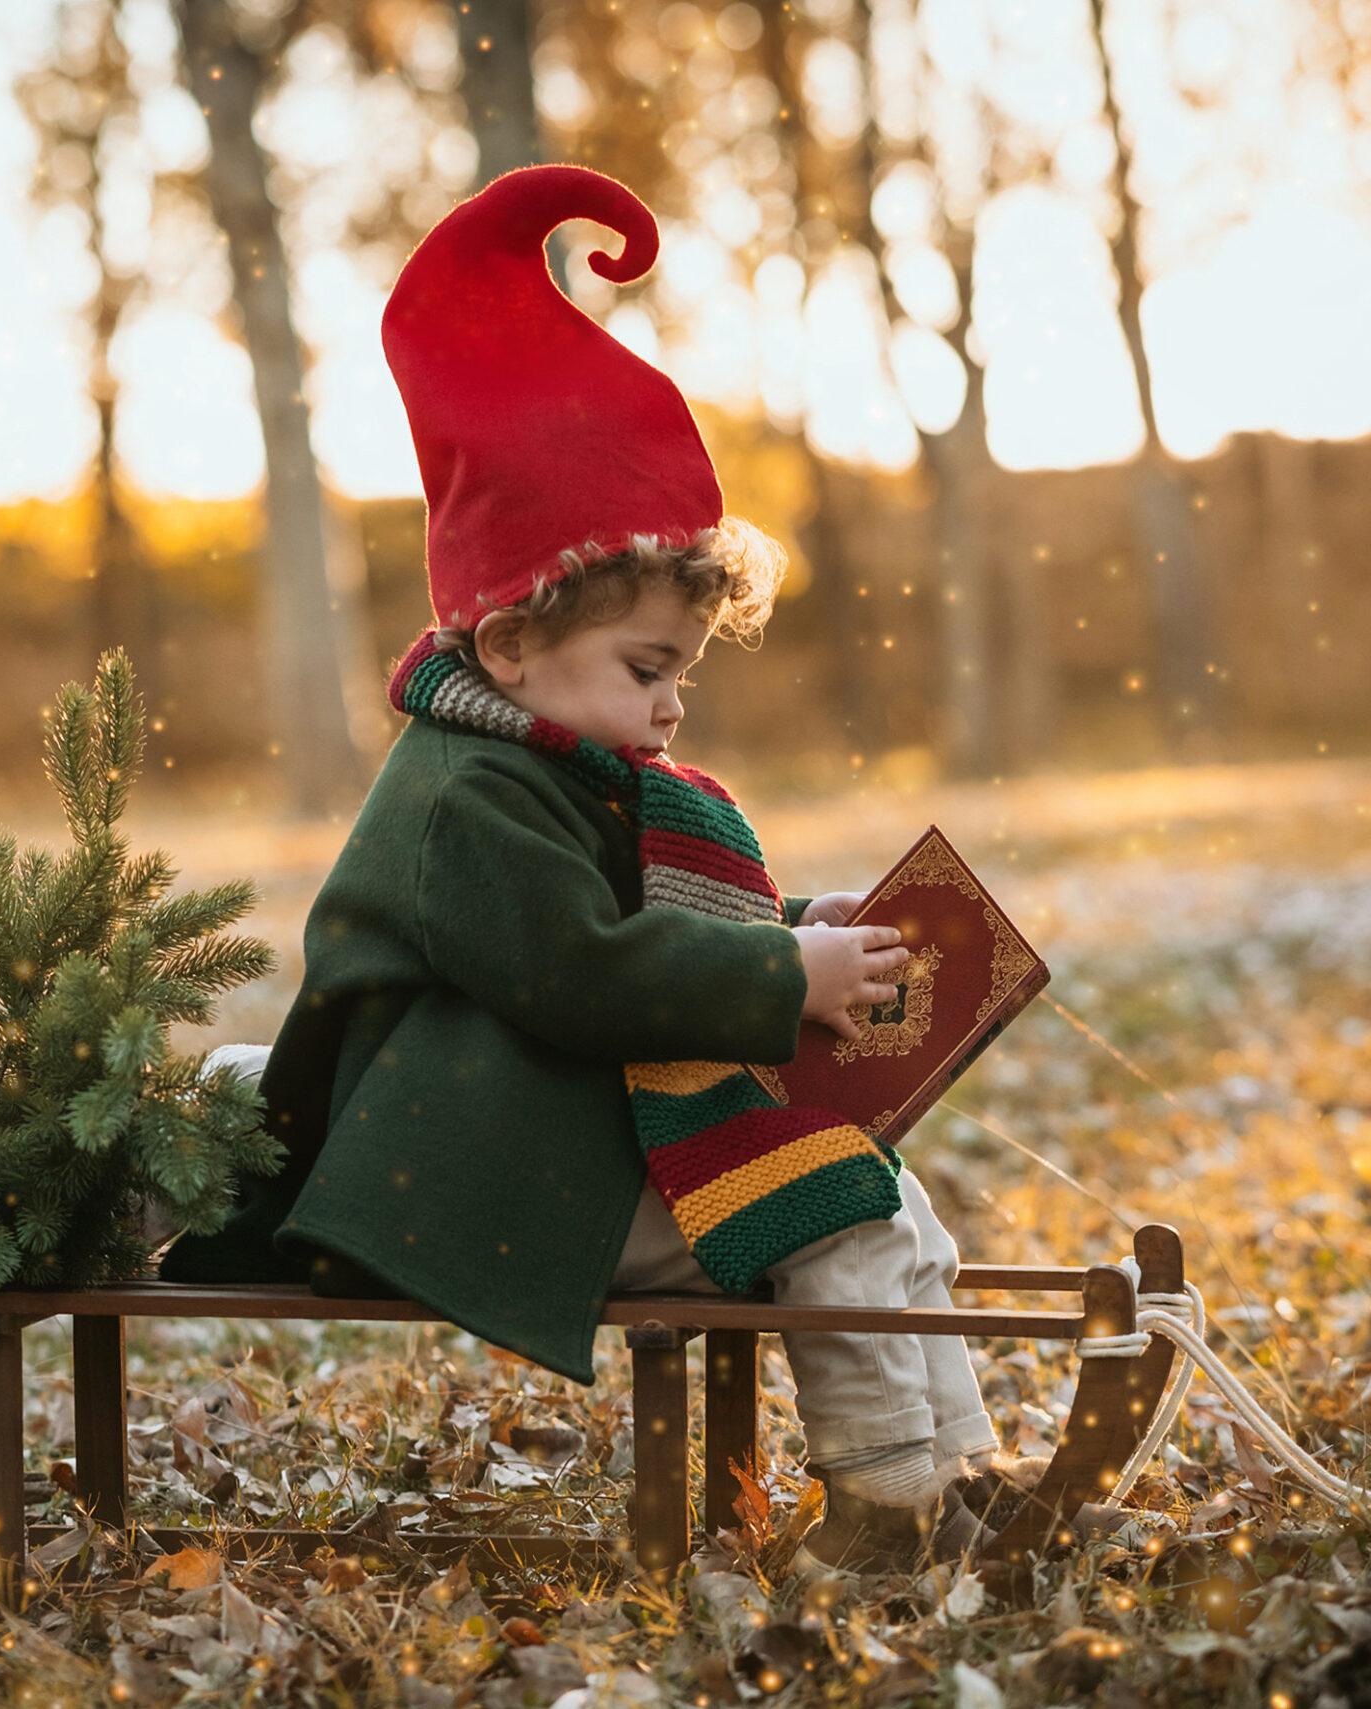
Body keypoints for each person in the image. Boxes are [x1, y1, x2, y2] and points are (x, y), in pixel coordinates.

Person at [160, 163, 1029, 1574]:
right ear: (509, 645)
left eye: (680, 671)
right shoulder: (468, 795)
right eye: (646, 669)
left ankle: (956, 1474)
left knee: (879, 1187)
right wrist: (777, 975)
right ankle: (889, 1511)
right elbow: (579, 970)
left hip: (548, 1123)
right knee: (838, 1207)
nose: (673, 705)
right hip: (474, 1166)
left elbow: (655, 922)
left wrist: (807, 933)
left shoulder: (551, 764)